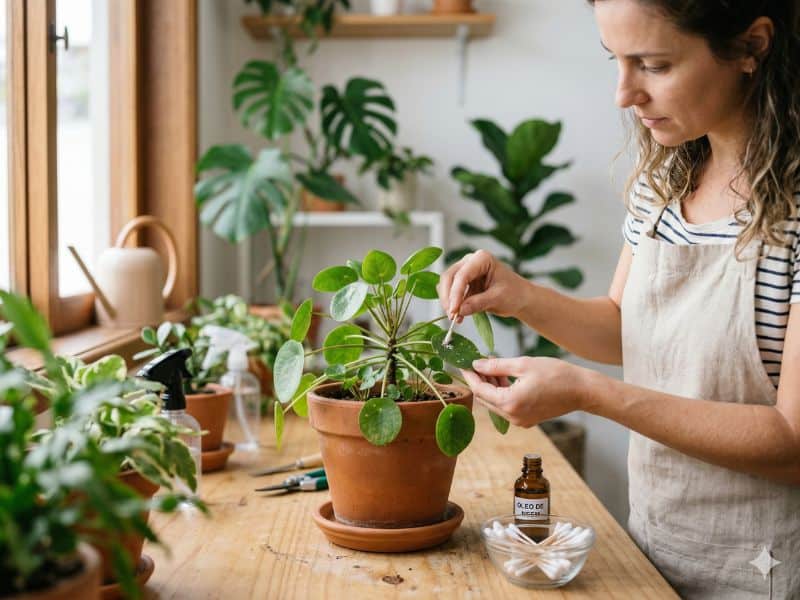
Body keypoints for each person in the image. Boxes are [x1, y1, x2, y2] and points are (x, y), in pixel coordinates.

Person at [437, 1, 800, 598]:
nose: (623, 93)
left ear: (751, 47)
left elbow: (791, 442)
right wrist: (519, 295)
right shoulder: (665, 187)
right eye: (617, 61)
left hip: (764, 573)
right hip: (656, 553)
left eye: (653, 64)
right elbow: (623, 328)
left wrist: (587, 393)